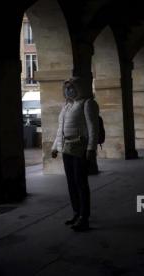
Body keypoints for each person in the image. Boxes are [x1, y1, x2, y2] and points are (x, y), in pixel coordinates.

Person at [51, 77, 99, 231]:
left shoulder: (88, 103)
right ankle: (76, 212)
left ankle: (84, 217)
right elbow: (61, 130)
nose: (68, 90)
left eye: (72, 87)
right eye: (66, 88)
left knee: (81, 183)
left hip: (80, 148)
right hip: (67, 148)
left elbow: (93, 128)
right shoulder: (67, 106)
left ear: (80, 88)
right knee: (71, 183)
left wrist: (91, 149)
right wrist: (55, 147)